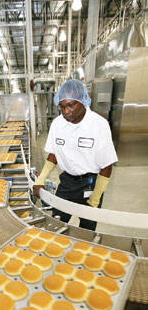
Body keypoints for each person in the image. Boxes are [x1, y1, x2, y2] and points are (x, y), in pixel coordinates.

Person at [33, 79, 118, 231]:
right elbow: (54, 154)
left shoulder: (99, 125)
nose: (66, 111)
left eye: (71, 105)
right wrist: (40, 179)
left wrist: (95, 198)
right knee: (55, 224)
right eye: (62, 106)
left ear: (83, 101)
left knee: (87, 231)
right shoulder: (58, 124)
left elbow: (106, 165)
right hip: (67, 182)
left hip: (90, 184)